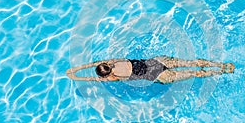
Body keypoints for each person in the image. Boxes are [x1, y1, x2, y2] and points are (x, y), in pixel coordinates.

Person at [66, 56, 235, 84]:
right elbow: (96, 63)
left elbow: (92, 79)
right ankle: (221, 64)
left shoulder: (112, 77)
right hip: (156, 61)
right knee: (192, 62)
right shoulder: (111, 62)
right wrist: (80, 67)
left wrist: (77, 78)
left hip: (158, 74)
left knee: (195, 73)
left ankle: (222, 71)